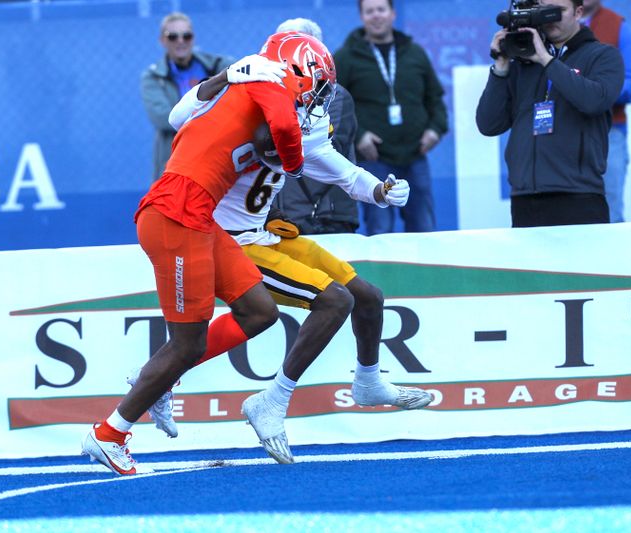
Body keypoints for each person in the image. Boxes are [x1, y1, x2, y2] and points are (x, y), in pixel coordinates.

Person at [144, 18, 433, 465]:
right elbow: (177, 115)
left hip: (267, 233)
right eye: (315, 82)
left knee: (367, 297)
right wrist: (224, 77)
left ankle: (369, 380)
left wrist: (379, 191)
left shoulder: (305, 118)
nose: (320, 96)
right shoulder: (243, 95)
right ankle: (271, 400)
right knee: (330, 301)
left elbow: (339, 169)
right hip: (229, 240)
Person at [81, 32, 316, 475]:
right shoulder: (270, 78)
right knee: (186, 343)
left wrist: (225, 78)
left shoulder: (245, 82)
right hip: (179, 212)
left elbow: (182, 117)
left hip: (197, 212)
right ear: (302, 67)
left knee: (259, 310)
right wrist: (296, 162)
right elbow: (283, 129)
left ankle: (159, 380)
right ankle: (109, 433)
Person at [476, 0, 624, 228]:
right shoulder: (523, 63)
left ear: (578, 12)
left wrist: (546, 59)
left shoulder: (603, 55)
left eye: (557, 11)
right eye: (544, 11)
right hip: (525, 198)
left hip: (579, 196)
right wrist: (502, 66)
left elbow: (594, 101)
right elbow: (488, 124)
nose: (550, 18)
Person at [334, 0, 448, 235]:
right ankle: (381, 273)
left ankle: (424, 273)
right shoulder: (346, 57)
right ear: (362, 17)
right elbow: (335, 105)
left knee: (424, 228)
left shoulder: (415, 53)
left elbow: (435, 98)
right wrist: (360, 136)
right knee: (380, 230)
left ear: (392, 14)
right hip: (374, 160)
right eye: (369, 11)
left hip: (415, 156)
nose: (376, 16)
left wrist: (435, 129)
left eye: (381, 9)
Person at [272, 18, 361, 235]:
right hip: (284, 217)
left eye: (294, 46)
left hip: (326, 216)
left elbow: (330, 151)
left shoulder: (336, 96)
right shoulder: (271, 96)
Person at [141, 12, 234, 182]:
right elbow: (163, 117)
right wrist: (212, 118)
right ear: (162, 40)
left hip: (217, 155)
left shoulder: (218, 66)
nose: (181, 41)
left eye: (186, 35)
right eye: (173, 36)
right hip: (175, 158)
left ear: (193, 38)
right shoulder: (153, 76)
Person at [582, 0, 631, 223]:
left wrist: (592, 89)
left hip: (608, 135)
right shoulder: (549, 25)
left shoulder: (617, 26)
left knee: (609, 214)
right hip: (559, 134)